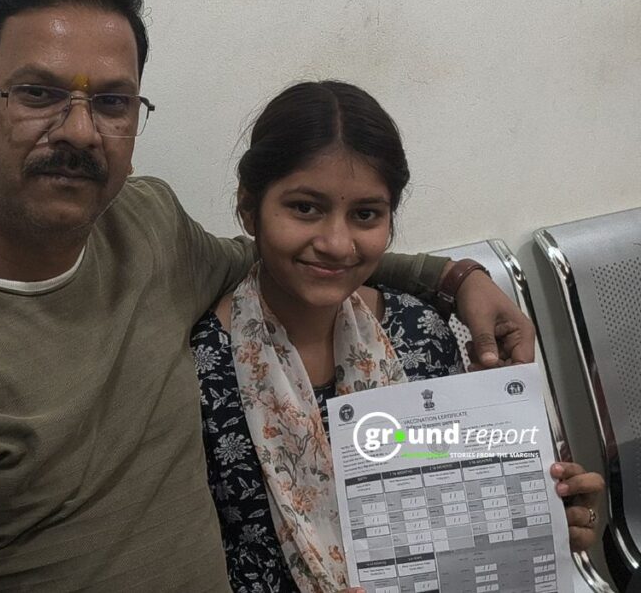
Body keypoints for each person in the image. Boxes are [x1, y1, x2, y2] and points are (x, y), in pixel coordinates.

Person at [0, 0, 541, 591]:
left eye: (112, 101)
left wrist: (455, 279)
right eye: (39, 93)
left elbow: (292, 256)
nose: (79, 129)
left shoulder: (141, 228)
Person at [191, 81, 605, 592]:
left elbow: (456, 511)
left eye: (366, 214)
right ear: (248, 209)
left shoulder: (419, 334)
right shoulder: (201, 369)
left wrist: (542, 522)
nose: (337, 243)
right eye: (304, 208)